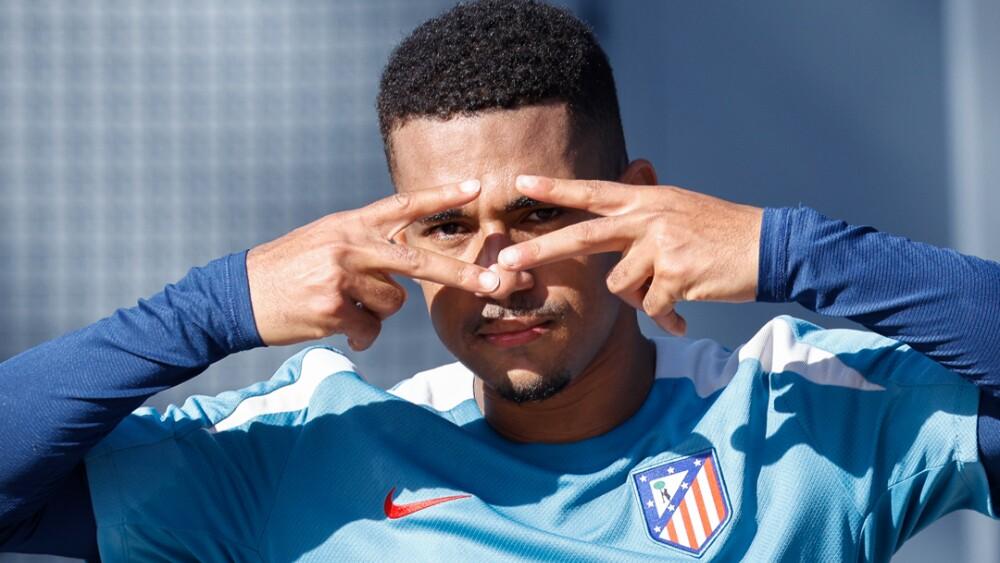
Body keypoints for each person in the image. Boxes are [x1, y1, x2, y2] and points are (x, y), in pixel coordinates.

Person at [1, 0, 999, 560]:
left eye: (538, 215)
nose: (495, 273)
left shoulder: (809, 415)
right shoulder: (296, 451)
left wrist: (795, 251)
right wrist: (214, 305)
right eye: (443, 227)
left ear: (634, 201)